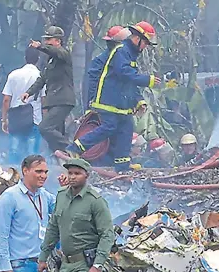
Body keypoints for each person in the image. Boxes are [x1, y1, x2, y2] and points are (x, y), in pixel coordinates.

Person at [56, 21, 161, 172]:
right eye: (145, 43)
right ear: (137, 38)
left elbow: (129, 83)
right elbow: (125, 74)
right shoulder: (121, 51)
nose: (145, 47)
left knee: (126, 128)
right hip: (109, 101)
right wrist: (147, 80)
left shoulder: (130, 54)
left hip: (122, 105)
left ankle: (122, 166)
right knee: (109, 127)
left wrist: (139, 101)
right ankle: (74, 148)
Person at [21, 26, 75, 153]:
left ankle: (72, 149)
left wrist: (40, 47)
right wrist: (28, 92)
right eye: (45, 40)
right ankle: (61, 157)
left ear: (58, 41)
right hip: (53, 101)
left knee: (45, 128)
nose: (47, 42)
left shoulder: (64, 54)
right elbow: (42, 79)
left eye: (49, 40)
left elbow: (55, 52)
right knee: (56, 133)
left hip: (63, 100)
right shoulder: (51, 61)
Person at [2, 47, 45, 164]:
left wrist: (4, 119)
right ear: (38, 59)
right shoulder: (40, 76)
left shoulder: (13, 75)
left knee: (14, 150)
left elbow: (6, 99)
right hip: (34, 119)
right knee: (32, 155)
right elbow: (44, 99)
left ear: (25, 58)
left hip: (15, 119)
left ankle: (13, 177)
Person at [86, 26, 131, 110]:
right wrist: (90, 106)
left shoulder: (125, 60)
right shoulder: (100, 61)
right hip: (105, 107)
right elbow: (93, 84)